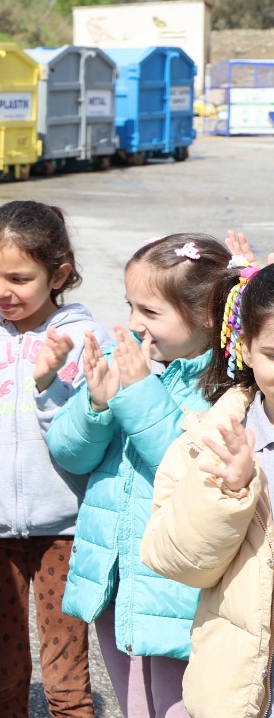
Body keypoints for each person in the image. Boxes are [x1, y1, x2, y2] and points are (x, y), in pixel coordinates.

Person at [48, 234, 242, 717]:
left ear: (206, 315)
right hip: (119, 583)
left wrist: (135, 395)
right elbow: (69, 454)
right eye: (130, 306)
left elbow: (189, 471)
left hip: (177, 594)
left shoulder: (227, 389)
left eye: (150, 312)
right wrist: (96, 404)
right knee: (136, 705)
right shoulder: (134, 367)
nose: (134, 323)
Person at [0, 200, 106, 718]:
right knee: (4, 674)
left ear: (60, 275)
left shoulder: (83, 339)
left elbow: (84, 447)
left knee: (67, 678)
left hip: (66, 531)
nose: (0, 290)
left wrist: (49, 384)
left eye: (19, 278)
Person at [141, 261, 273, 718]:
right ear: (245, 347)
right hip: (244, 686)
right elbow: (174, 558)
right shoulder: (208, 439)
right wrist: (227, 491)